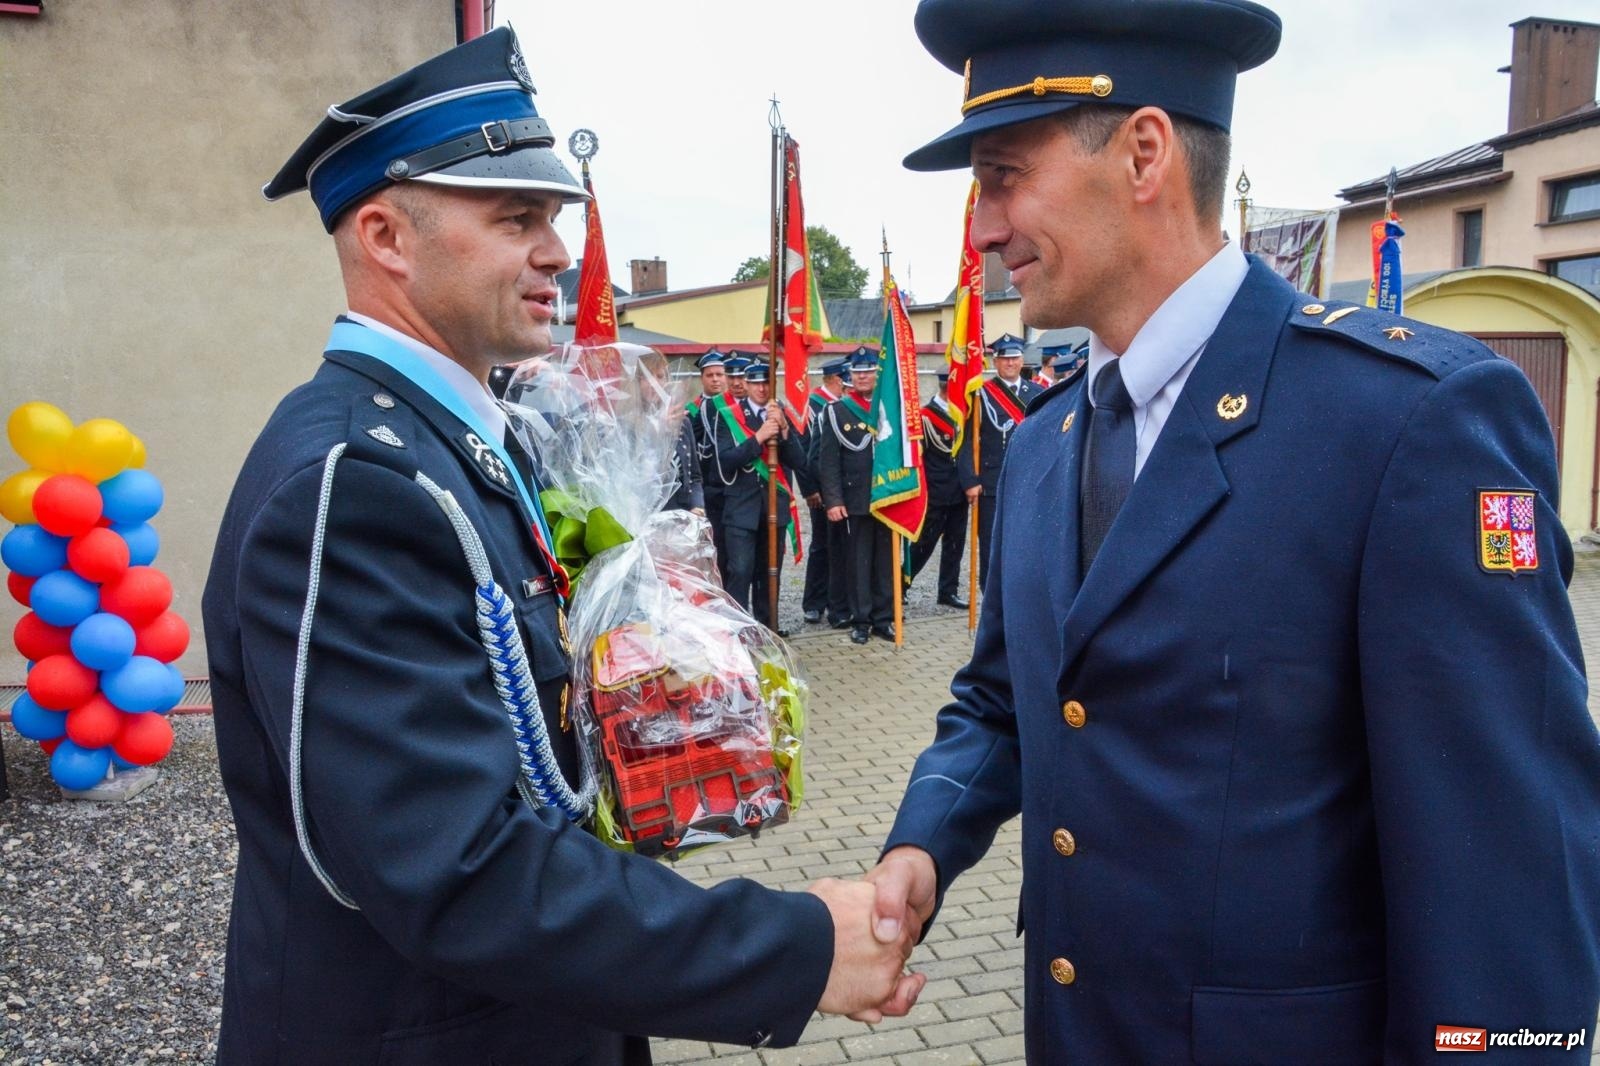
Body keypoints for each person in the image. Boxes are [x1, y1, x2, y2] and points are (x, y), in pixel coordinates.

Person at [864, 1, 1600, 1063]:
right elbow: (1005, 700)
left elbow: (1509, 886)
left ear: (1144, 153)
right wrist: (923, 845)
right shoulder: (1041, 444)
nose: (982, 229)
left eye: (1003, 176)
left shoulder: (1404, 423)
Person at [202, 30, 920, 1066]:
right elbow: (455, 870)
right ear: (386, 237)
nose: (556, 252)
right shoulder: (356, 481)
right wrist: (795, 951)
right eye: (516, 218)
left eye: (554, 218)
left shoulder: (455, 444)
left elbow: (518, 753)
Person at [709, 361, 808, 632]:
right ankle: (738, 630)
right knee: (740, 571)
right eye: (755, 383)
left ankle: (768, 628)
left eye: (766, 383)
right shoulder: (728, 415)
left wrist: (784, 430)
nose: (762, 388)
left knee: (770, 572)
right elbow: (725, 461)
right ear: (746, 384)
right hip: (741, 508)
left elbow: (799, 461)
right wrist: (759, 437)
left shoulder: (780, 413)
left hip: (774, 506)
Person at [952, 331, 1041, 590]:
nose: (1010, 363)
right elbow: (966, 440)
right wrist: (970, 480)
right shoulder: (980, 395)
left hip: (1028, 482)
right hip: (991, 484)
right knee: (991, 543)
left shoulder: (1038, 393)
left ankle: (1020, 595)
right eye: (1004, 359)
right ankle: (991, 597)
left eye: (1014, 358)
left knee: (1024, 542)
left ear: (1022, 360)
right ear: (995, 361)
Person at [819, 347, 894, 645]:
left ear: (878, 373)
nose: (863, 376)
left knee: (886, 562)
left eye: (869, 371)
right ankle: (861, 620)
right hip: (854, 499)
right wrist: (834, 500)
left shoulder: (890, 408)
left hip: (887, 495)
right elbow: (828, 461)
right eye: (858, 371)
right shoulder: (837, 411)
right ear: (849, 375)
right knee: (859, 563)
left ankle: (884, 618)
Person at [907, 369, 968, 609]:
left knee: (955, 545)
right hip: (935, 493)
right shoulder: (925, 417)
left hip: (960, 491)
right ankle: (902, 583)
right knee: (923, 544)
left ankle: (948, 591)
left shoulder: (963, 415)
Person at [801, 357, 851, 625]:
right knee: (821, 546)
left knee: (841, 548)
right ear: (838, 379)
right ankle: (813, 602)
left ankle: (838, 601)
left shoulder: (842, 405)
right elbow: (805, 452)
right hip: (821, 490)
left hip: (843, 489)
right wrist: (811, 489)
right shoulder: (813, 406)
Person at [640, 350, 703, 515]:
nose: (654, 383)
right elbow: (635, 476)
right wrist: (660, 433)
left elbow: (694, 477)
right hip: (643, 515)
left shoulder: (681, 421)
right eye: (647, 377)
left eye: (660, 377)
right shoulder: (626, 423)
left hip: (680, 515)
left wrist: (697, 506)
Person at [689, 349, 729, 569]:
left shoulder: (734, 408)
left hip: (731, 486)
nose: (715, 379)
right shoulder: (691, 411)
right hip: (704, 487)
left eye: (720, 374)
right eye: (710, 375)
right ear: (702, 378)